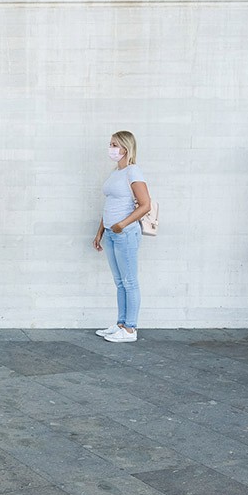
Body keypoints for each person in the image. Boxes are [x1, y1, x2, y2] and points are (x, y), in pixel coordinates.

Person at [93, 131, 151, 343]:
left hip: (125, 234)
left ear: (126, 148)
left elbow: (146, 204)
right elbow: (110, 204)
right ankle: (121, 324)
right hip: (110, 233)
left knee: (129, 282)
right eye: (110, 144)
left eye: (115, 144)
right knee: (120, 282)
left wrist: (122, 225)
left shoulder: (133, 172)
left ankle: (130, 329)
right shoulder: (116, 172)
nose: (111, 148)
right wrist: (100, 231)